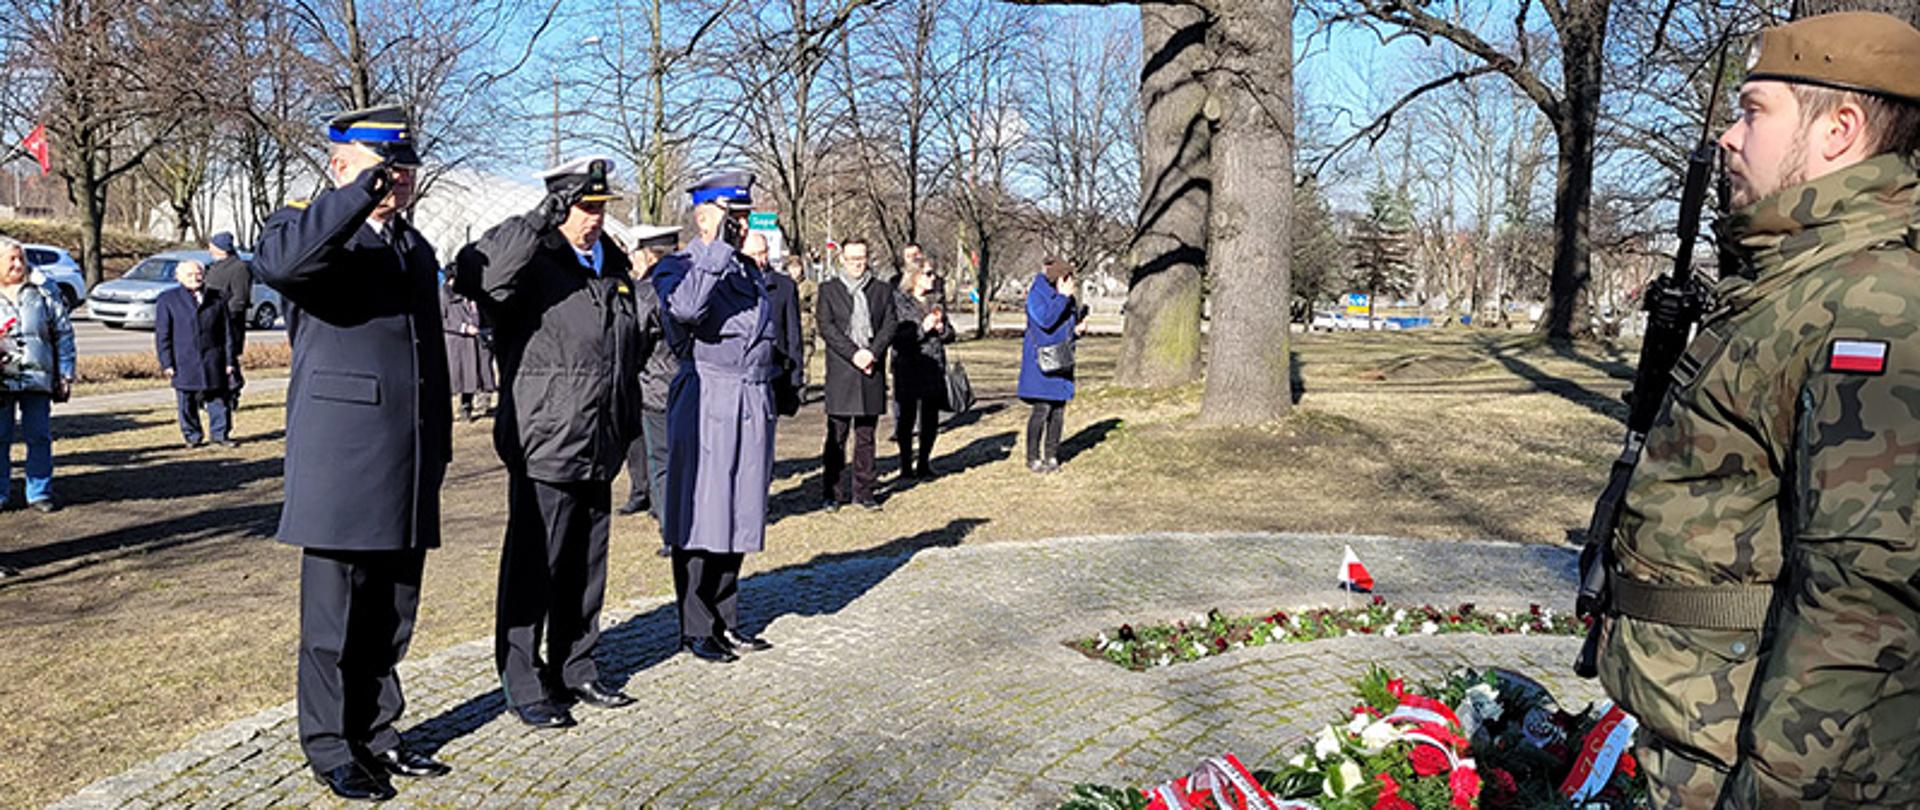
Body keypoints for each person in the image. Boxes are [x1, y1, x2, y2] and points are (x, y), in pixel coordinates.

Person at [1594, 13, 1920, 806]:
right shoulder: (1794, 281)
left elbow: (1864, 600)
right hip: (1701, 733)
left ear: (1839, 131)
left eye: (1753, 111)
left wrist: (1770, 793)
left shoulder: (1873, 304)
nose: (1729, 138)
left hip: (1756, 766)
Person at [253, 105, 453, 802]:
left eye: (404, 172)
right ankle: (331, 746)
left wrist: (441, 444)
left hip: (409, 455)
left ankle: (380, 733)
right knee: (333, 618)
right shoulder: (302, 230)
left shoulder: (414, 247)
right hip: (344, 459)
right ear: (344, 168)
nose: (399, 183)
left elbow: (430, 354)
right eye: (385, 170)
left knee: (391, 612)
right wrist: (357, 194)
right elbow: (281, 264)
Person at [456, 156, 643, 729]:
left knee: (586, 564)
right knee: (533, 564)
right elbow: (477, 274)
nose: (594, 219)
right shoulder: (533, 257)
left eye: (600, 209)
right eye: (584, 209)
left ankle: (576, 665)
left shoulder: (609, 260)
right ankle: (522, 677)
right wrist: (538, 221)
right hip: (546, 435)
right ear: (560, 207)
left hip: (598, 434)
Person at [653, 170, 778, 664]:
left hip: (750, 399)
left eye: (744, 218)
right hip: (707, 396)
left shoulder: (748, 271)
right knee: (704, 512)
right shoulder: (678, 267)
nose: (741, 227)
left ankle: (727, 619)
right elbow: (685, 312)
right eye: (734, 217)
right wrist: (712, 246)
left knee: (740, 510)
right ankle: (695, 626)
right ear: (706, 216)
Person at [816, 238, 898, 510]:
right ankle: (833, 492)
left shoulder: (882, 290)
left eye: (861, 258)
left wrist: (872, 353)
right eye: (852, 259)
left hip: (870, 370)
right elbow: (827, 328)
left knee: (866, 436)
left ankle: (864, 492)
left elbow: (889, 324)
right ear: (842, 259)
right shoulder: (828, 290)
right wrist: (854, 353)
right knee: (836, 436)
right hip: (842, 370)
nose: (857, 264)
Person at [0, 236, 75, 513]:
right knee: (0, 436)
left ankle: (39, 492)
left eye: (21, 258)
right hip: (2, 378)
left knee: (39, 436)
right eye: (11, 259)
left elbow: (63, 334)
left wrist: (65, 373)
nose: (18, 264)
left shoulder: (43, 291)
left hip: (37, 377)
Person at [618, 224, 681, 532]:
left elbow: (634, 342)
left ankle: (670, 527)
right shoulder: (692, 283)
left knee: (661, 463)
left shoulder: (646, 293)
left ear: (647, 256)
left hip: (655, 387)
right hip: (692, 385)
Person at [154, 259, 240, 448]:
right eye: (190, 275)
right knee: (187, 402)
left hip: (213, 359)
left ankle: (220, 434)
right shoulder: (167, 300)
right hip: (184, 360)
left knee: (218, 400)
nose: (195, 278)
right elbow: (163, 335)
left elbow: (227, 332)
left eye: (198, 274)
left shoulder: (218, 298)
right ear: (179, 278)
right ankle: (192, 437)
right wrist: (167, 363)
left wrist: (229, 360)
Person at [1018, 257, 1087, 473]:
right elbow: (1046, 321)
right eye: (1069, 280)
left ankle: (1052, 455)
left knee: (1058, 411)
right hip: (1041, 362)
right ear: (1060, 279)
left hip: (1061, 360)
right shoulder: (1037, 295)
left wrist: (1076, 331)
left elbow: (1065, 330)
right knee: (1042, 409)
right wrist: (1063, 298)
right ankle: (1033, 457)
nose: (1072, 285)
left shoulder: (1067, 299)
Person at [889, 260, 954, 479]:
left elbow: (951, 335)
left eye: (933, 273)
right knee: (906, 419)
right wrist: (922, 329)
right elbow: (896, 337)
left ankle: (924, 463)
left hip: (933, 367)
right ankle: (906, 465)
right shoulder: (899, 302)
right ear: (914, 276)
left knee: (930, 418)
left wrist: (943, 330)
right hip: (908, 366)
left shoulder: (936, 301)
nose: (932, 278)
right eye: (928, 273)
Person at [748, 231, 806, 419]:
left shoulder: (785, 286)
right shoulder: (731, 284)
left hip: (774, 371)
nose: (759, 260)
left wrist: (796, 377)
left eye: (762, 253)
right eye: (753, 255)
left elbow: (793, 334)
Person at [202, 232, 252, 412]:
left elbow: (240, 298)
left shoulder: (239, 268)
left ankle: (231, 393)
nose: (209, 249)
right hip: (209, 324)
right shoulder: (213, 267)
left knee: (229, 361)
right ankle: (210, 397)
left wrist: (222, 315)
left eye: (213, 246)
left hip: (229, 324)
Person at [439, 274, 495, 422]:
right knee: (456, 377)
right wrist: (462, 327)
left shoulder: (472, 292)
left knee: (474, 376)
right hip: (457, 343)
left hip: (476, 340)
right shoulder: (443, 295)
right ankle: (447, 412)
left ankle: (468, 406)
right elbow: (441, 319)